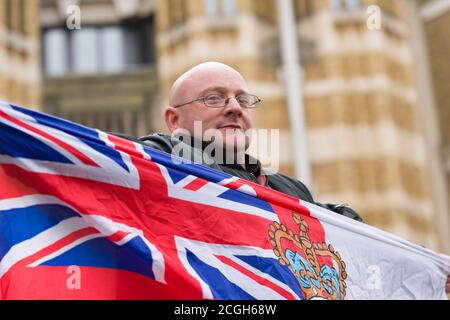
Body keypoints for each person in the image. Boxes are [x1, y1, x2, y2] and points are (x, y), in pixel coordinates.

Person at [115, 61, 450, 295]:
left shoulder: (287, 189)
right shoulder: (158, 158)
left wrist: (425, 268)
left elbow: (348, 237)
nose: (234, 107)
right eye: (214, 98)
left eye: (243, 99)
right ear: (174, 119)